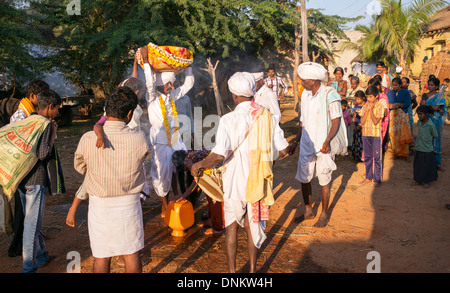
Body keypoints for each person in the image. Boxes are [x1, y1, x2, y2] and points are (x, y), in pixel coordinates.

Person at [190, 72, 289, 273]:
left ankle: (232, 273)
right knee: (252, 227)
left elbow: (218, 155)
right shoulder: (267, 115)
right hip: (257, 182)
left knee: (232, 228)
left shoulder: (228, 119)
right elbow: (284, 149)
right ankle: (252, 271)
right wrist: (295, 143)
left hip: (234, 181)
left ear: (235, 95)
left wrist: (199, 165)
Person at [74, 86, 151, 273]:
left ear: (106, 110)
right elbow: (145, 162)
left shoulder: (87, 138)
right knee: (132, 254)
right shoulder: (139, 138)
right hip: (129, 205)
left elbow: (80, 167)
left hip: (100, 206)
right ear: (130, 113)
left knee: (101, 256)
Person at [66, 77, 149, 229]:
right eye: (142, 92)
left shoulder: (116, 107)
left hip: (125, 148)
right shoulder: (130, 111)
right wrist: (99, 135)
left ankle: (74, 209)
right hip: (120, 146)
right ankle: (73, 208)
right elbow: (98, 124)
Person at [139, 45, 195, 217]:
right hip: (161, 140)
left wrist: (188, 66)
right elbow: (149, 83)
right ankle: (164, 206)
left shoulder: (173, 95)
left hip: (175, 138)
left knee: (182, 166)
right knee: (162, 173)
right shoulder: (152, 97)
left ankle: (179, 196)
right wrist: (147, 62)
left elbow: (189, 84)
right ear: (165, 84)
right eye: (171, 83)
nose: (173, 85)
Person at [288, 62, 344, 228]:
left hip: (323, 144)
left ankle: (324, 214)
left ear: (313, 80)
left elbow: (336, 121)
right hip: (306, 142)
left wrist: (327, 141)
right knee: (304, 177)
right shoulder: (304, 95)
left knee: (324, 179)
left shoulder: (329, 94)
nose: (301, 82)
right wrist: (296, 142)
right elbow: (302, 121)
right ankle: (308, 211)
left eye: (304, 80)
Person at [17, 89, 61, 273]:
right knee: (31, 227)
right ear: (50, 107)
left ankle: (42, 256)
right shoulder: (45, 124)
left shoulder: (30, 119)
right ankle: (28, 267)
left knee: (31, 222)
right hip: (36, 180)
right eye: (57, 108)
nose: (58, 112)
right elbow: (42, 153)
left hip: (22, 178)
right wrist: (52, 133)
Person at [7, 79, 50, 258]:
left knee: (28, 214)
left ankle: (30, 247)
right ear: (32, 96)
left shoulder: (30, 112)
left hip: (27, 170)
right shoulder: (20, 116)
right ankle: (17, 249)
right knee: (23, 214)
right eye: (41, 95)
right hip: (23, 171)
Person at [172, 148, 225, 235]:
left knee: (215, 199)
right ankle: (211, 220)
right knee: (210, 197)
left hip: (216, 172)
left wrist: (184, 195)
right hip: (210, 171)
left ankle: (218, 228)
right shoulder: (189, 156)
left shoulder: (187, 163)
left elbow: (196, 180)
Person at [360, 86, 385, 187]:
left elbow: (375, 121)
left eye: (371, 97)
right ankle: (368, 177)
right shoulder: (365, 106)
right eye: (367, 97)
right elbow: (362, 121)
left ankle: (377, 179)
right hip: (366, 134)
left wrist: (370, 110)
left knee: (377, 157)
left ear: (376, 96)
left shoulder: (380, 107)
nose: (369, 99)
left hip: (375, 135)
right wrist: (367, 110)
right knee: (367, 156)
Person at [422, 77, 447, 170]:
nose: (430, 86)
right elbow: (423, 106)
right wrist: (432, 108)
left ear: (436, 86)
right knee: (427, 140)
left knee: (436, 140)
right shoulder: (425, 95)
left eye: (432, 85)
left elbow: (437, 108)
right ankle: (428, 163)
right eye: (429, 84)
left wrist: (428, 106)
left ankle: (437, 163)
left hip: (436, 121)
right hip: (427, 120)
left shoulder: (439, 96)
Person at [387, 78, 413, 159]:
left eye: (396, 85)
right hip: (393, 116)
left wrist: (399, 104)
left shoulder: (405, 92)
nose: (394, 87)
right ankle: (396, 153)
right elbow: (387, 103)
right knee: (393, 134)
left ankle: (404, 154)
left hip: (402, 115)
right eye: (393, 85)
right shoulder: (389, 93)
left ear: (400, 85)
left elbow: (408, 103)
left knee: (403, 134)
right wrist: (390, 106)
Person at [413, 105, 438, 188]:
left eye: (421, 114)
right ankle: (418, 179)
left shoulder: (431, 125)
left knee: (427, 166)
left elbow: (435, 135)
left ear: (427, 114)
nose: (419, 116)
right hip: (419, 148)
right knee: (418, 165)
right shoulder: (419, 123)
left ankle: (426, 181)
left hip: (427, 149)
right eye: (418, 114)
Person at [368, 78, 390, 153]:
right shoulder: (371, 96)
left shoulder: (382, 97)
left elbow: (385, 113)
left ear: (377, 86)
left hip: (378, 124)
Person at [351, 90, 366, 162]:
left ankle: (362, 156)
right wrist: (353, 121)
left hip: (362, 125)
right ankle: (356, 156)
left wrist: (360, 125)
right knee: (356, 141)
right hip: (356, 123)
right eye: (356, 99)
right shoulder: (356, 105)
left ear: (363, 98)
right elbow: (354, 115)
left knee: (361, 141)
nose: (357, 100)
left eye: (358, 99)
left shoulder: (365, 105)